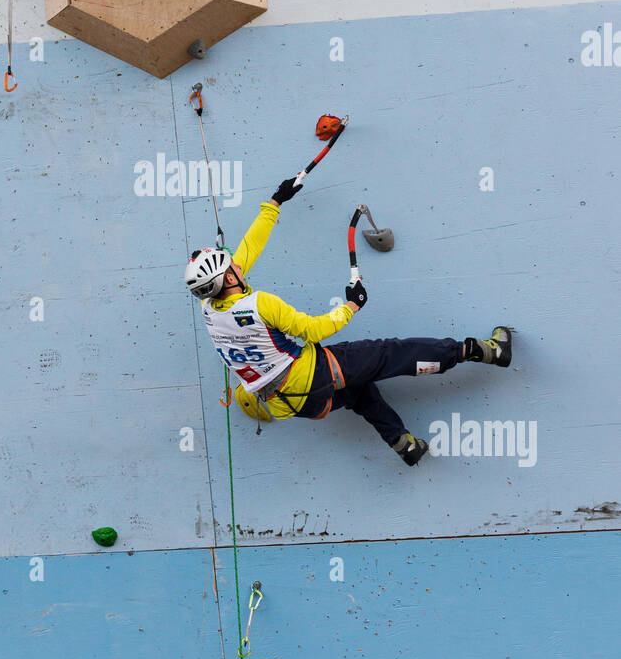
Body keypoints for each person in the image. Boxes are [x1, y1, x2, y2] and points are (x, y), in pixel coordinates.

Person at [184, 177, 512, 466]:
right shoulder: (259, 303)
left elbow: (247, 250)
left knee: (359, 392)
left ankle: (404, 445)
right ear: (228, 279)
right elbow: (313, 331)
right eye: (232, 268)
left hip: (291, 405)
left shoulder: (209, 309)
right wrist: (351, 306)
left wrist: (275, 202)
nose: (238, 266)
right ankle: (482, 351)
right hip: (310, 375)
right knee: (390, 354)